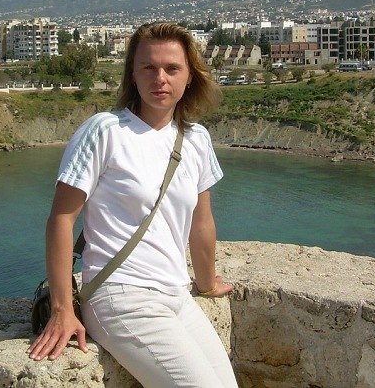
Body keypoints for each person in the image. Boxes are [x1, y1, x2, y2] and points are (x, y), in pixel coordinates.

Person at [28, 22, 238, 387]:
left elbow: (201, 222)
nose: (160, 78)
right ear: (133, 74)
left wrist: (206, 283)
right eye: (148, 67)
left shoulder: (197, 139)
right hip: (121, 296)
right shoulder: (105, 131)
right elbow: (61, 219)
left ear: (190, 76)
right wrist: (62, 309)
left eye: (172, 68)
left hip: (176, 294)